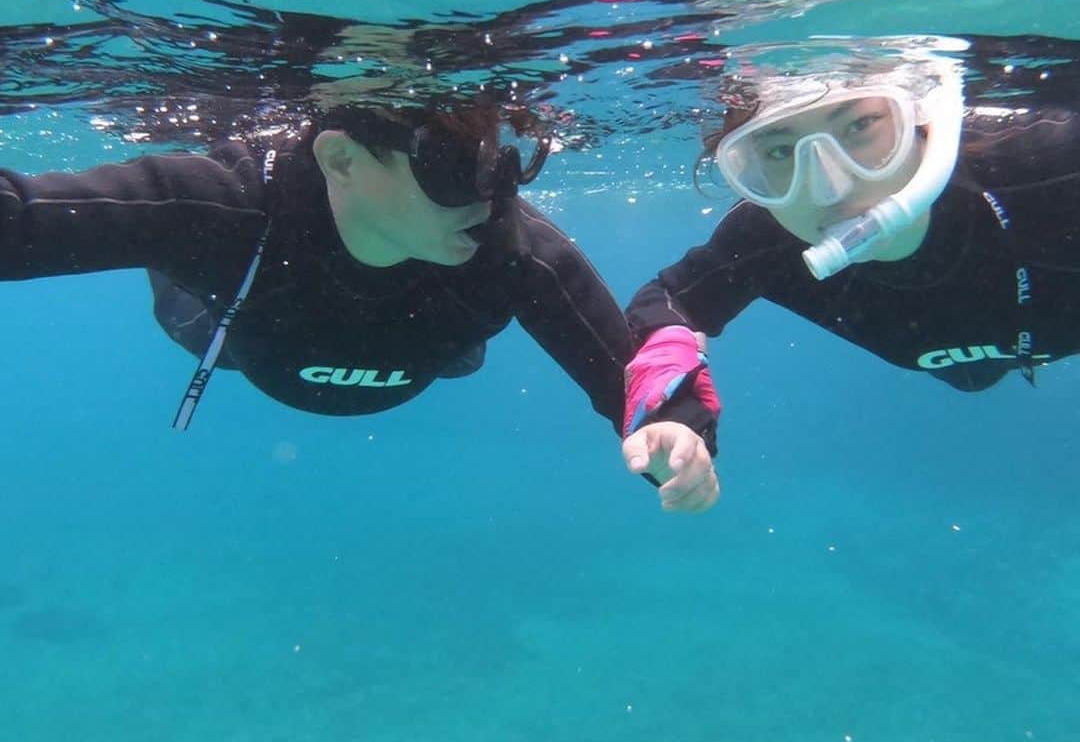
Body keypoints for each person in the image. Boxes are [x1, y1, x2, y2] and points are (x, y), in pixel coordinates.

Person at [0, 96, 716, 511]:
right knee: (184, 251)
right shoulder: (226, 203)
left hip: (425, 345)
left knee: (466, 307)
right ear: (342, 158)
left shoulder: (511, 251)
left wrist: (681, 437)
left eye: (507, 162)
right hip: (234, 328)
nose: (494, 196)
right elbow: (20, 219)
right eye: (453, 166)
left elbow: (632, 381)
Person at [622, 46, 1080, 490]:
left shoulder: (1053, 165)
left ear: (920, 119)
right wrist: (678, 419)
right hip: (970, 368)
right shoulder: (767, 238)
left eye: (861, 125)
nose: (830, 187)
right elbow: (668, 301)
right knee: (974, 379)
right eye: (780, 152)